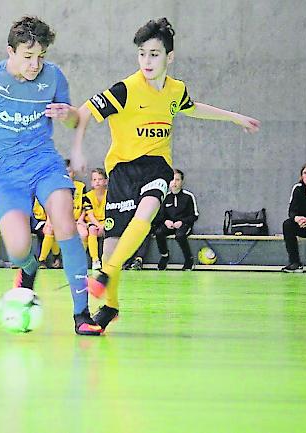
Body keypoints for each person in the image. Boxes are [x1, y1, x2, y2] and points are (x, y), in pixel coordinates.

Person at [73, 18, 260, 332]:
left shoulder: (176, 90)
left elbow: (193, 107)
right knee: (110, 245)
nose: (147, 61)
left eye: (155, 54)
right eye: (143, 54)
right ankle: (111, 306)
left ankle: (106, 273)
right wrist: (77, 149)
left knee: (145, 214)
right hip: (121, 170)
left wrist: (233, 117)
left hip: (156, 165)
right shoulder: (125, 89)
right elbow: (84, 112)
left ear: (169, 58)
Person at [0, 16, 102, 335]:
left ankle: (82, 315)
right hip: (5, 175)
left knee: (65, 222)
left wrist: (69, 118)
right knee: (19, 248)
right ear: (10, 51)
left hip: (44, 162)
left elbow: (75, 118)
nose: (35, 64)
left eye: (41, 56)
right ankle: (28, 268)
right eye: (28, 56)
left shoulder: (53, 77)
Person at [154, 168, 199, 270]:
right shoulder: (165, 197)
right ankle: (164, 256)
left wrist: (182, 222)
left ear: (182, 182)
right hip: (169, 225)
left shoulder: (188, 196)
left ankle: (188, 259)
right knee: (159, 232)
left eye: (177, 180)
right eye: (172, 180)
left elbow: (194, 215)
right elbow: (159, 215)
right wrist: (166, 221)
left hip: (184, 225)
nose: (174, 183)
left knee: (180, 235)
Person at [282, 161, 306, 272]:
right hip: (303, 226)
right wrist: (298, 219)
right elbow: (292, 211)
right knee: (287, 224)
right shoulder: (298, 189)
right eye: (304, 173)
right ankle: (295, 262)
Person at [83, 168, 108, 270]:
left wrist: (105, 225)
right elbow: (90, 215)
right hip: (94, 223)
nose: (97, 182)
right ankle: (95, 260)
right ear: (91, 183)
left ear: (106, 181)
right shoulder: (87, 196)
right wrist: (99, 225)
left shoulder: (111, 194)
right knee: (92, 229)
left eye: (100, 179)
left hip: (107, 222)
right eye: (94, 179)